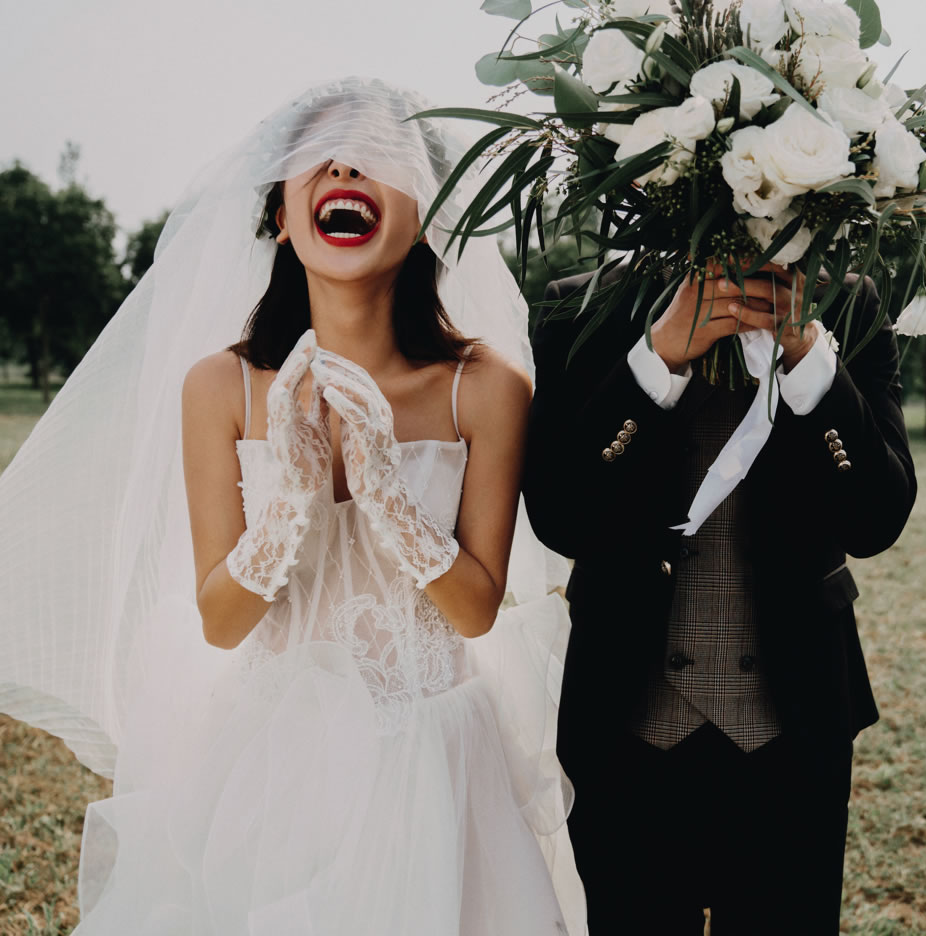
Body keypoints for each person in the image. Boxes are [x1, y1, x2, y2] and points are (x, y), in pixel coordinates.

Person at [0, 77, 582, 935]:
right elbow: (221, 622)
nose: (345, 167)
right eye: (322, 155)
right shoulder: (221, 387)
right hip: (270, 765)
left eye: (376, 155)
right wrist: (294, 503)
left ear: (427, 213)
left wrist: (386, 493)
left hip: (435, 759)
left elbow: (475, 611)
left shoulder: (486, 387)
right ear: (282, 213)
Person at [522, 261, 916, 934]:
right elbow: (561, 517)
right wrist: (658, 358)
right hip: (623, 731)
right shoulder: (578, 307)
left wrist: (807, 354)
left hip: (796, 729)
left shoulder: (848, 304)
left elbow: (875, 520)